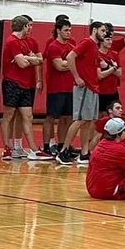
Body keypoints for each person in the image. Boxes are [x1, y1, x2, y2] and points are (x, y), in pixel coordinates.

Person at [59, 22, 110, 166]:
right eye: (102, 30)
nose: (104, 33)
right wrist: (76, 77)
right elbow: (70, 57)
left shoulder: (94, 46)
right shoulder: (87, 42)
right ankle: (63, 151)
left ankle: (84, 153)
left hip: (93, 87)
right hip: (84, 87)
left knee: (88, 121)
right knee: (80, 120)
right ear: (94, 30)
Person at [0, 15, 44, 160]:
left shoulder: (30, 41)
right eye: (28, 25)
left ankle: (33, 149)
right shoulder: (12, 41)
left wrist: (28, 58)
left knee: (27, 116)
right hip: (12, 82)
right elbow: (22, 64)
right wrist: (31, 58)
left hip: (26, 84)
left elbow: (40, 60)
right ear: (24, 26)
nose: (30, 28)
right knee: (9, 115)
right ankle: (7, 148)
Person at [42, 17, 75, 158]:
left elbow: (71, 64)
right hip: (56, 88)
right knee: (51, 117)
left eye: (70, 30)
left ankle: (62, 145)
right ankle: (46, 146)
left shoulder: (71, 47)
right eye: (66, 30)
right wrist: (70, 63)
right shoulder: (53, 46)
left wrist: (67, 63)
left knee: (66, 118)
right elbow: (59, 66)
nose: (69, 33)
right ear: (58, 31)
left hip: (69, 87)